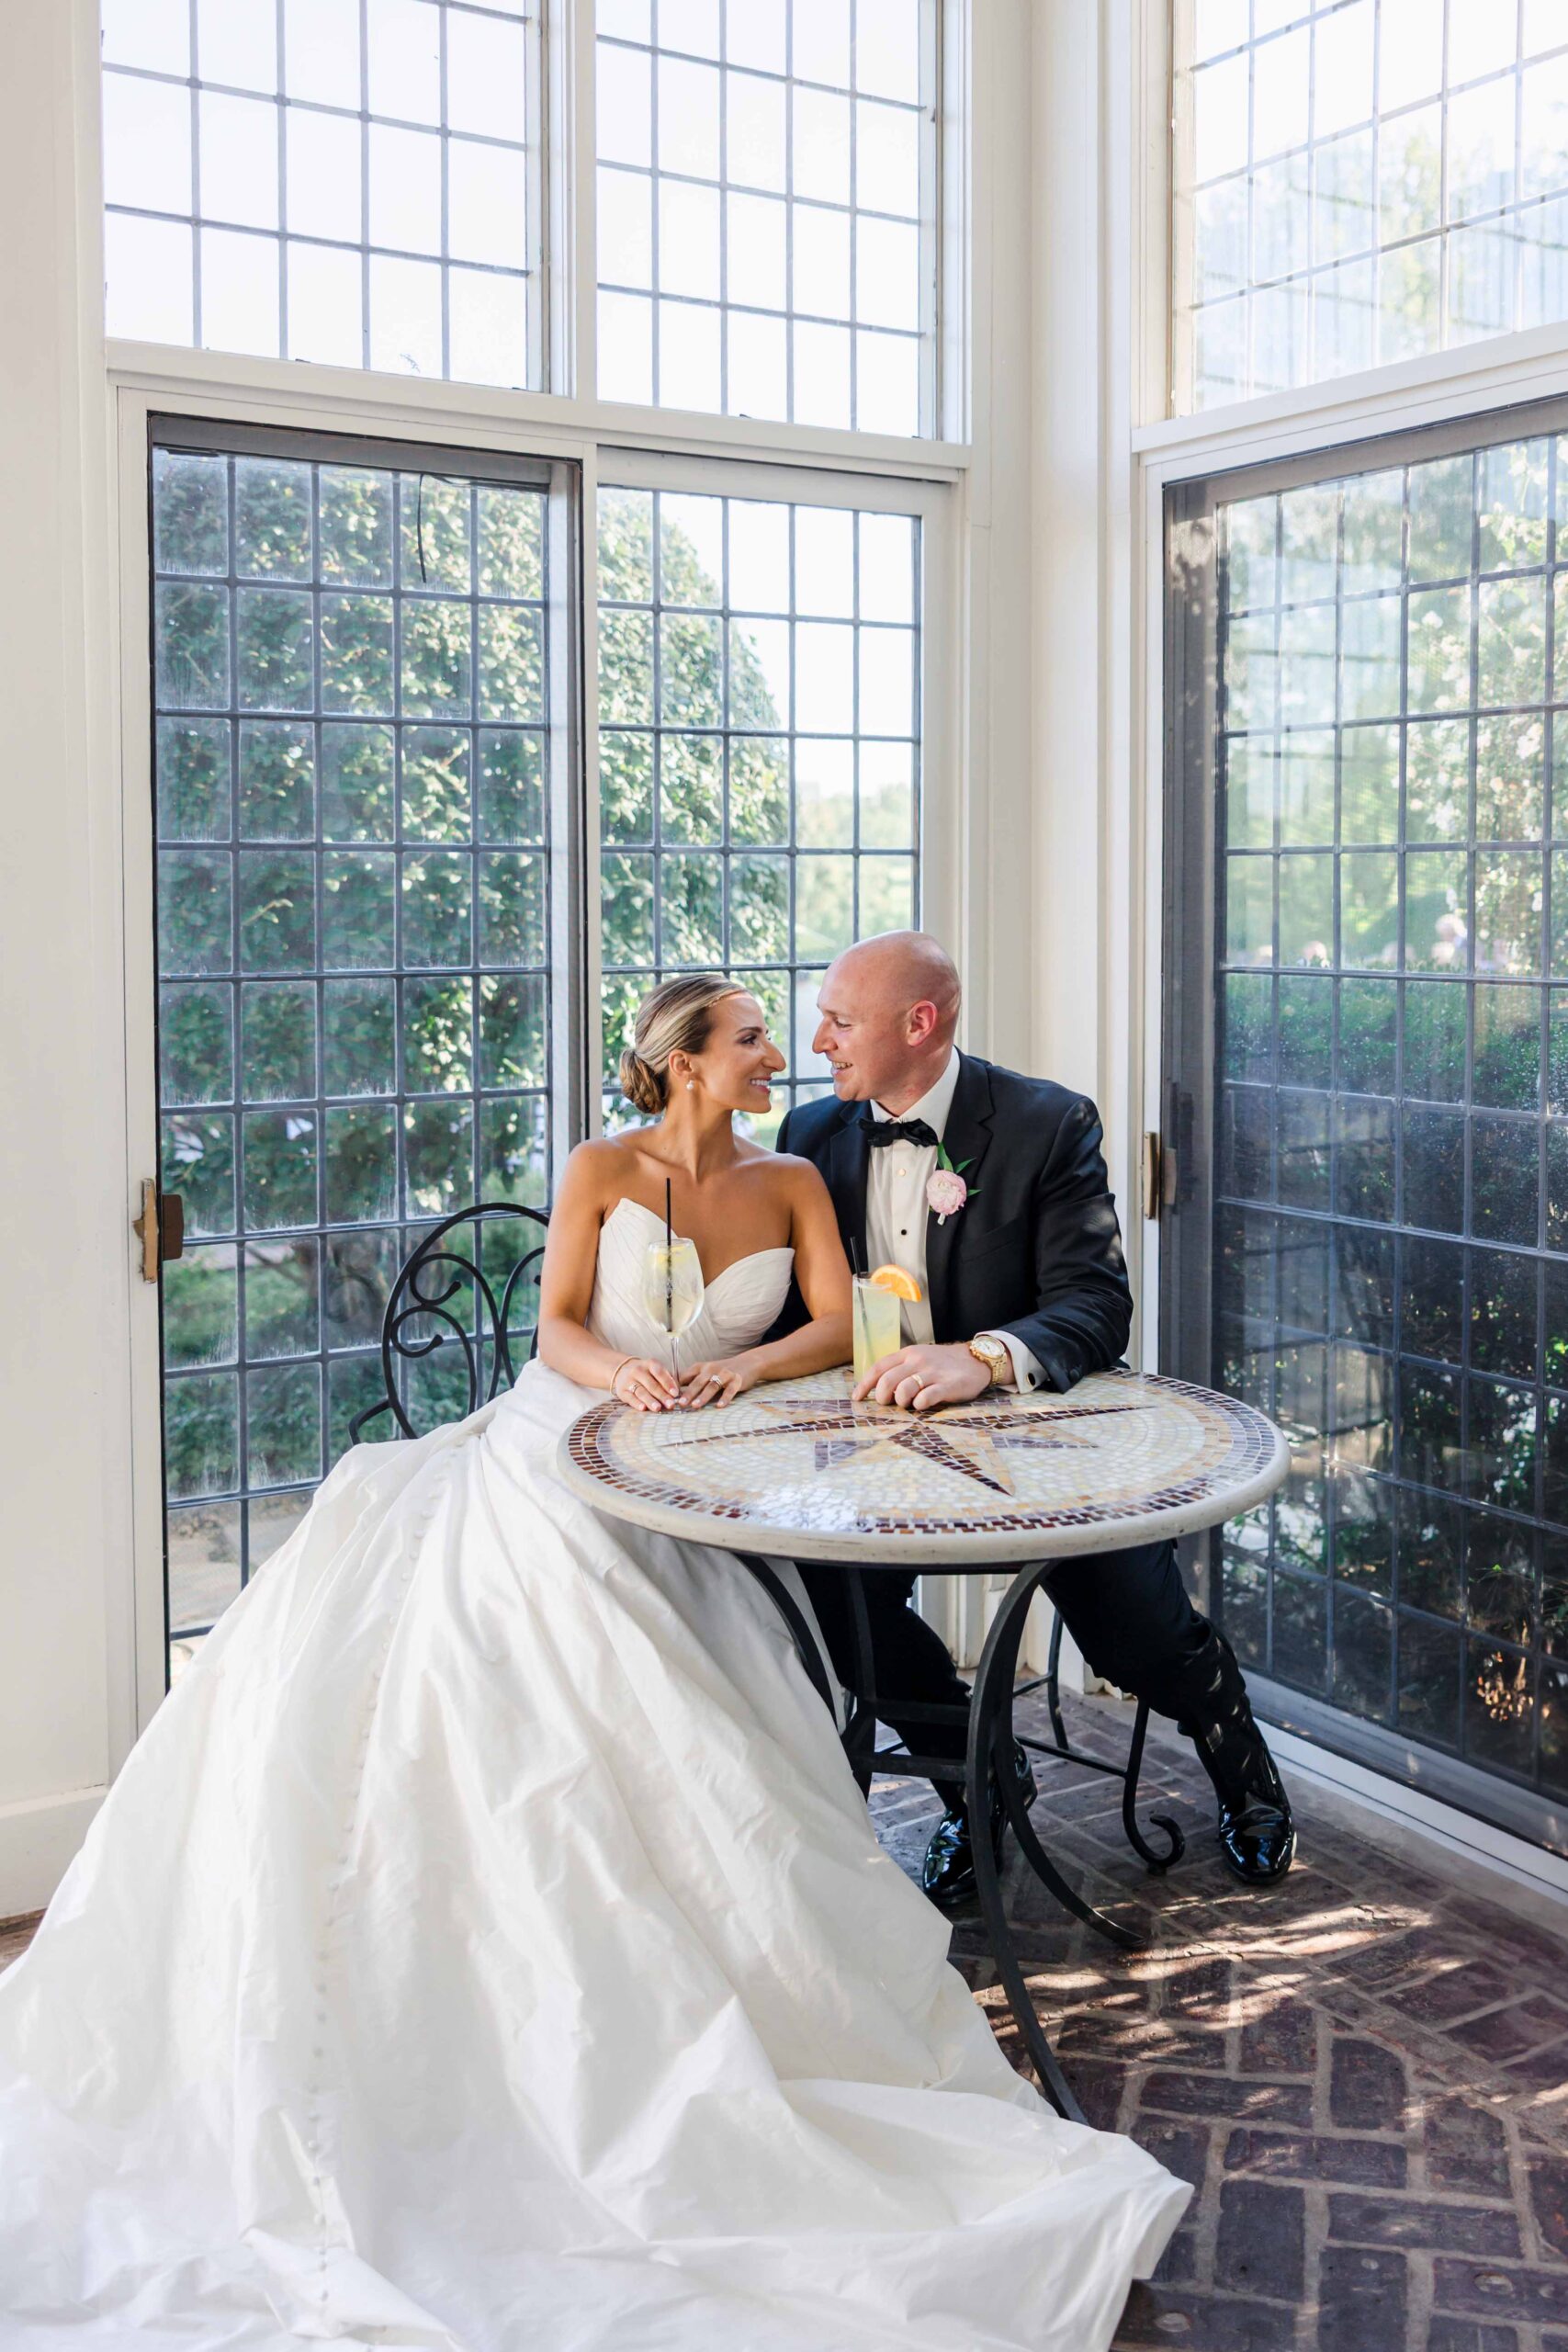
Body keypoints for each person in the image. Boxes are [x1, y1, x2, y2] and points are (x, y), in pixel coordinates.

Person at [0, 973, 1186, 2351]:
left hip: (717, 1465)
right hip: (562, 1449)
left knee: (750, 1656)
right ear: (681, 1061)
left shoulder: (800, 1166)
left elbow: (823, 1317)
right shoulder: (594, 1168)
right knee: (506, 1635)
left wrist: (739, 1375)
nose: (780, 1052)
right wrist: (611, 1378)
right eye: (750, 1034)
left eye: (788, 1032)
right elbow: (559, 1323)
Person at [775, 932, 1295, 1909]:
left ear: (919, 1024)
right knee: (834, 1605)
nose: (820, 1040)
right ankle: (979, 1781)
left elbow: (1096, 1305)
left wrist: (978, 1357)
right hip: (879, 1454)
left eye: (840, 1020)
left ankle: (1240, 1758)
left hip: (1049, 1440)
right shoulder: (810, 1134)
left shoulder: (1047, 1122)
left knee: (1137, 1634)